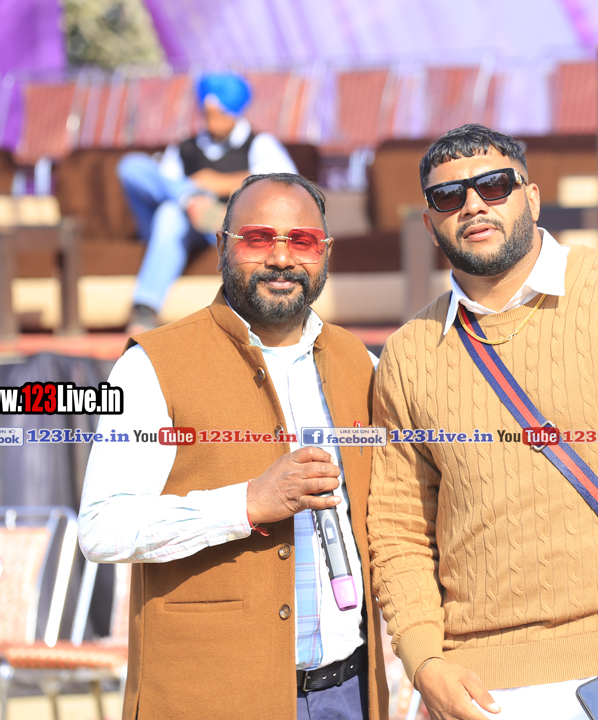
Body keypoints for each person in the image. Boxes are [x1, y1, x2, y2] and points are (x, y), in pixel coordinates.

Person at [367, 124, 598, 720]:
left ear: (532, 197)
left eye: (494, 185)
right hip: (479, 692)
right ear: (430, 224)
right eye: (449, 196)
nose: (473, 205)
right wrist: (423, 662)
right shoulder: (409, 353)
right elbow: (398, 527)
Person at [79, 173, 388, 720]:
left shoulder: (361, 362)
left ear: (325, 252)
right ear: (223, 245)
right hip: (212, 698)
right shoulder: (150, 366)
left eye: (302, 241)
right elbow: (102, 527)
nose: (281, 258)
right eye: (258, 238)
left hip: (348, 694)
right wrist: (244, 504)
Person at [117, 72, 298, 333]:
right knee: (135, 170)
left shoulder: (260, 144)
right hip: (171, 229)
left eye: (220, 114)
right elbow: (161, 183)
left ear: (235, 112)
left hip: (223, 226)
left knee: (170, 213)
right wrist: (191, 196)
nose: (212, 122)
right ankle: (189, 197)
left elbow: (288, 183)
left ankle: (144, 309)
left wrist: (217, 183)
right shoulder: (184, 147)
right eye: (207, 114)